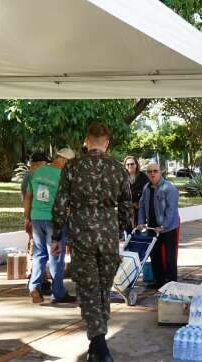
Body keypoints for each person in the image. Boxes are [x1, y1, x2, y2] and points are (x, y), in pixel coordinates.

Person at [52, 123, 132, 361]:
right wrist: (115, 231)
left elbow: (60, 205)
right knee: (102, 290)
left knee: (88, 291)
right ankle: (97, 346)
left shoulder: (73, 167)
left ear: (87, 141)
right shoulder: (118, 170)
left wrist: (57, 235)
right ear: (106, 142)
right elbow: (127, 208)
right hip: (107, 237)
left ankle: (100, 347)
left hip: (82, 236)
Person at [24, 148, 77, 304]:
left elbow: (28, 196)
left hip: (36, 218)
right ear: (64, 160)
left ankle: (34, 287)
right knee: (56, 256)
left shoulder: (37, 172)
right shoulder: (63, 176)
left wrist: (26, 217)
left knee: (39, 254)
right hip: (55, 221)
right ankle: (58, 293)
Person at [137, 162, 180, 288]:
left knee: (170, 257)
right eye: (149, 171)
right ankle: (159, 282)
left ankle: (172, 284)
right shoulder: (146, 188)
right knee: (154, 256)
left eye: (155, 171)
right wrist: (140, 222)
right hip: (152, 228)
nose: (152, 174)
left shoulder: (169, 188)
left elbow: (171, 210)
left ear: (160, 172)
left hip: (168, 228)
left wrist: (163, 226)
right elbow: (142, 207)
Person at [22, 151, 53, 294]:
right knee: (37, 250)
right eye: (45, 163)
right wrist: (27, 218)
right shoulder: (32, 176)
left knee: (39, 251)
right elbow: (28, 197)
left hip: (35, 216)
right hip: (37, 217)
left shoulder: (33, 175)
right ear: (38, 163)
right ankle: (35, 280)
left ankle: (41, 279)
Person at [123, 156, 149, 227]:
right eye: (127, 164)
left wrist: (139, 203)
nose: (130, 166)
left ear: (136, 165)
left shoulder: (143, 176)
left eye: (132, 164)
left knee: (138, 231)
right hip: (126, 210)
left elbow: (147, 192)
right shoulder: (122, 177)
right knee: (127, 231)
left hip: (139, 209)